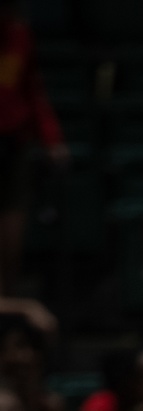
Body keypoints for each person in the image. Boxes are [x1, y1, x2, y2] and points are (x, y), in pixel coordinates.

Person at [0, 3, 67, 295]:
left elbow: (32, 90)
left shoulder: (19, 35)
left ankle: (7, 298)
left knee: (12, 224)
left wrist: (52, 139)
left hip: (12, 142)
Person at [0, 314, 62, 411]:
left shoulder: (48, 406)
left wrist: (30, 400)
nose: (28, 356)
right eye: (19, 346)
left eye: (34, 348)